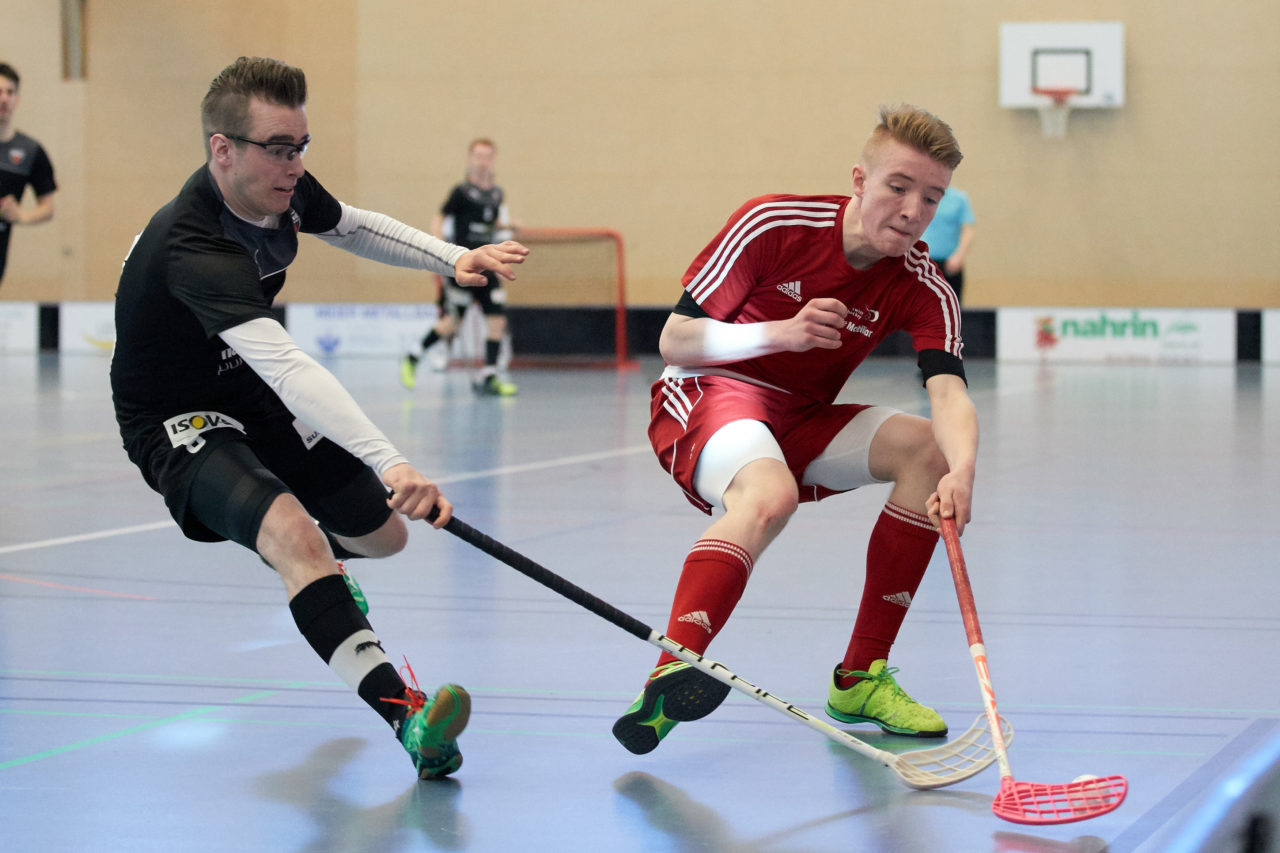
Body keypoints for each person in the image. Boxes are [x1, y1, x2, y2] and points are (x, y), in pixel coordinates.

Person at [109, 57, 528, 779]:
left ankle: (316, 573)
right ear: (222, 150)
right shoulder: (193, 243)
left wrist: (453, 256)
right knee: (296, 535)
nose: (295, 163)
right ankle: (410, 719)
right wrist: (393, 459)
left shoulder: (281, 188)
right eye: (279, 146)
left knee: (386, 537)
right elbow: (290, 367)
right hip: (175, 414)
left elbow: (352, 225)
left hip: (242, 384)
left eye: (302, 145)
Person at [612, 105, 976, 755]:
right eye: (898, 186)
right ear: (859, 180)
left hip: (802, 415)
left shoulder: (923, 283)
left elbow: (947, 390)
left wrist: (965, 469)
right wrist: (779, 332)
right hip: (709, 390)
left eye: (931, 197)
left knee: (930, 450)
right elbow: (675, 339)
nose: (913, 209)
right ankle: (674, 668)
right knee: (768, 494)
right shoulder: (774, 225)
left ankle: (861, 678)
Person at [400, 138, 518, 395]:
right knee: (451, 323)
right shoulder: (461, 192)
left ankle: (488, 377)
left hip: (489, 264)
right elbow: (439, 217)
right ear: (470, 159)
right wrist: (437, 251)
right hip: (464, 264)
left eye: (487, 156)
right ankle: (413, 355)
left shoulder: (497, 193)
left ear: (493, 159)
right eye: (478, 156)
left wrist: (507, 228)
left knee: (496, 320)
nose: (482, 161)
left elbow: (489, 224)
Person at [0, 62, 57, 287]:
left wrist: (20, 215)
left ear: (17, 99)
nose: (4, 98)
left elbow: (47, 207)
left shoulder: (30, 151)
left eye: (10, 92)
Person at [919, 186, 974, 304]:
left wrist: (959, 256)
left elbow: (968, 230)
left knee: (952, 304)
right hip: (923, 262)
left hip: (950, 263)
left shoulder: (959, 199)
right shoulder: (920, 196)